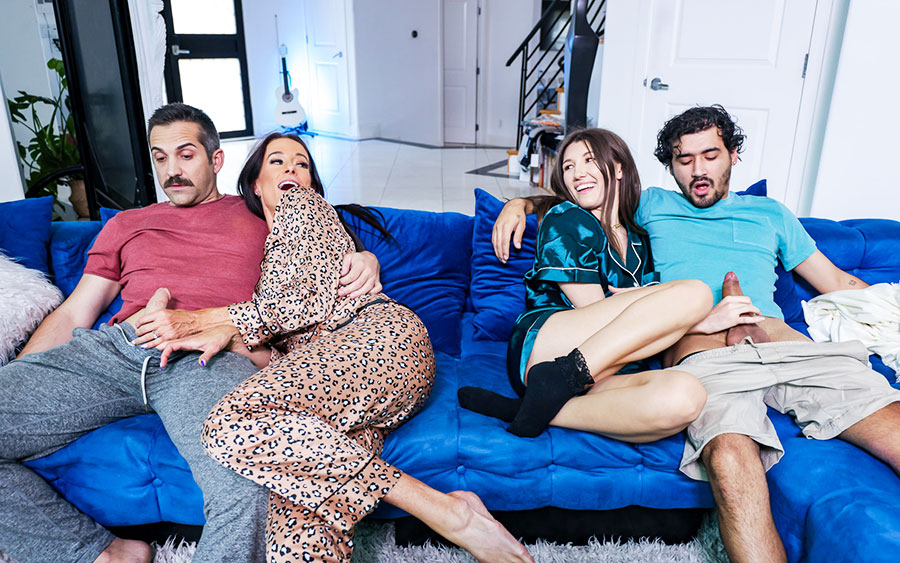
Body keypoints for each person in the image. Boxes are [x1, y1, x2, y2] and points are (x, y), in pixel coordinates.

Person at [494, 105, 900, 562]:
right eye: (684, 159)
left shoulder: (772, 214)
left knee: (891, 421)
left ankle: (546, 399)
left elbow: (839, 282)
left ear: (733, 155)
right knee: (729, 458)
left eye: (710, 155)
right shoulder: (650, 205)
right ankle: (562, 381)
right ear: (670, 166)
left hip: (783, 341)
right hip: (702, 351)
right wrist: (518, 203)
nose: (698, 170)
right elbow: (582, 195)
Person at [0, 103, 381, 563]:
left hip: (207, 359)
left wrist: (363, 258)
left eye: (185, 155)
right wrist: (24, 377)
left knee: (248, 479)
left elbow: (318, 248)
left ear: (216, 160)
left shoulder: (260, 213)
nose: (172, 171)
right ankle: (100, 553)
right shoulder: (125, 224)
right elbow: (76, 311)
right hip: (118, 351)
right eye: (160, 157)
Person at [149, 132, 533, 563]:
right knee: (295, 539)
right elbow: (287, 347)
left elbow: (301, 302)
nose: (292, 169)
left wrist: (212, 320)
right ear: (255, 184)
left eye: (302, 163)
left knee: (230, 422)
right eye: (277, 161)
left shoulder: (303, 205)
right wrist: (235, 338)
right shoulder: (269, 253)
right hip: (340, 389)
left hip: (377, 341)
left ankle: (448, 512)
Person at [458, 128, 720, 440]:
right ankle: (558, 378)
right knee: (697, 293)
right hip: (550, 345)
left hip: (607, 368)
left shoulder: (640, 239)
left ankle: (531, 409)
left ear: (619, 168)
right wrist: (671, 309)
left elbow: (647, 325)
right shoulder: (567, 218)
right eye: (568, 166)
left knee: (685, 398)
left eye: (589, 160)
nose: (577, 173)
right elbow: (599, 314)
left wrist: (661, 307)